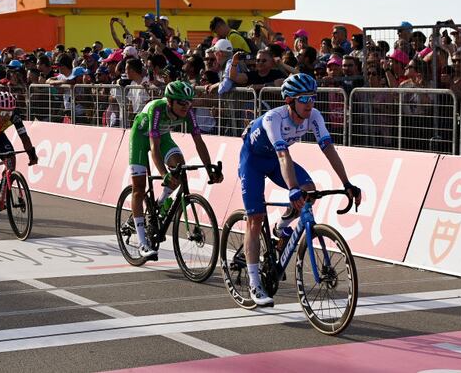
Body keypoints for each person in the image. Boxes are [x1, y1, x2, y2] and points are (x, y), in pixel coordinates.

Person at [238, 73, 360, 306]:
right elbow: (284, 154)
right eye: (303, 99)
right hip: (253, 160)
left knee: (309, 191)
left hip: (274, 160)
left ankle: (281, 226)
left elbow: (329, 149)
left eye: (313, 98)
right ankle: (255, 283)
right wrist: (292, 188)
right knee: (255, 218)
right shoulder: (274, 119)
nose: (309, 104)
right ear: (289, 101)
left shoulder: (313, 116)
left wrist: (347, 183)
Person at [127, 81, 223, 259]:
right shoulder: (157, 108)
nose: (186, 106)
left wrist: (210, 168)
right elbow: (154, 149)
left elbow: (199, 142)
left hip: (163, 137)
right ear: (169, 101)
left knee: (179, 168)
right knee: (138, 189)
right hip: (141, 138)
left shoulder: (187, 112)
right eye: (181, 102)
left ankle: (160, 203)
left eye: (189, 102)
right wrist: (164, 175)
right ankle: (142, 243)